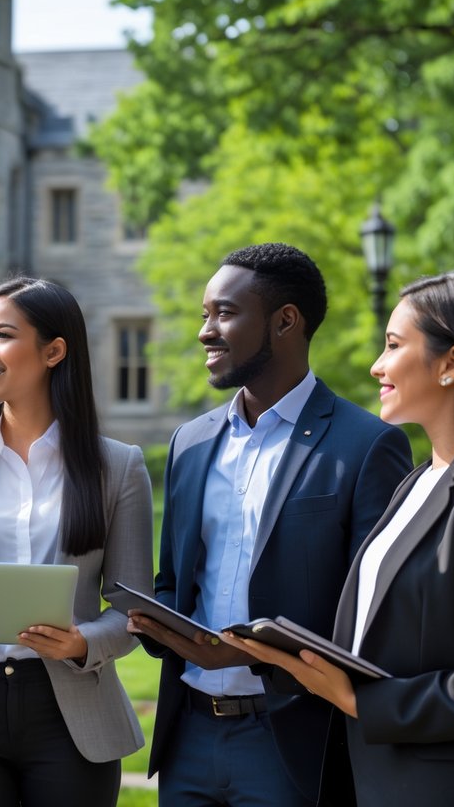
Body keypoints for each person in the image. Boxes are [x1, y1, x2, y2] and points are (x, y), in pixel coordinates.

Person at [226, 270, 454, 807]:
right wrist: (295, 660)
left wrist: (366, 700)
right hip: (371, 780)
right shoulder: (419, 480)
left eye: (394, 346)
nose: (377, 364)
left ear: (452, 363)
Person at [128, 242, 413, 806]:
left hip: (292, 742)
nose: (206, 331)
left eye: (225, 313)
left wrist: (252, 655)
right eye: (205, 315)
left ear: (286, 321)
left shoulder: (367, 446)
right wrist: (158, 624)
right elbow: (174, 582)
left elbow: (373, 614)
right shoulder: (191, 442)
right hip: (187, 738)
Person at [0, 276, 154, 807]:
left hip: (72, 715)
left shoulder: (118, 467)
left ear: (54, 351)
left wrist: (83, 642)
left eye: (3, 336)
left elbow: (134, 608)